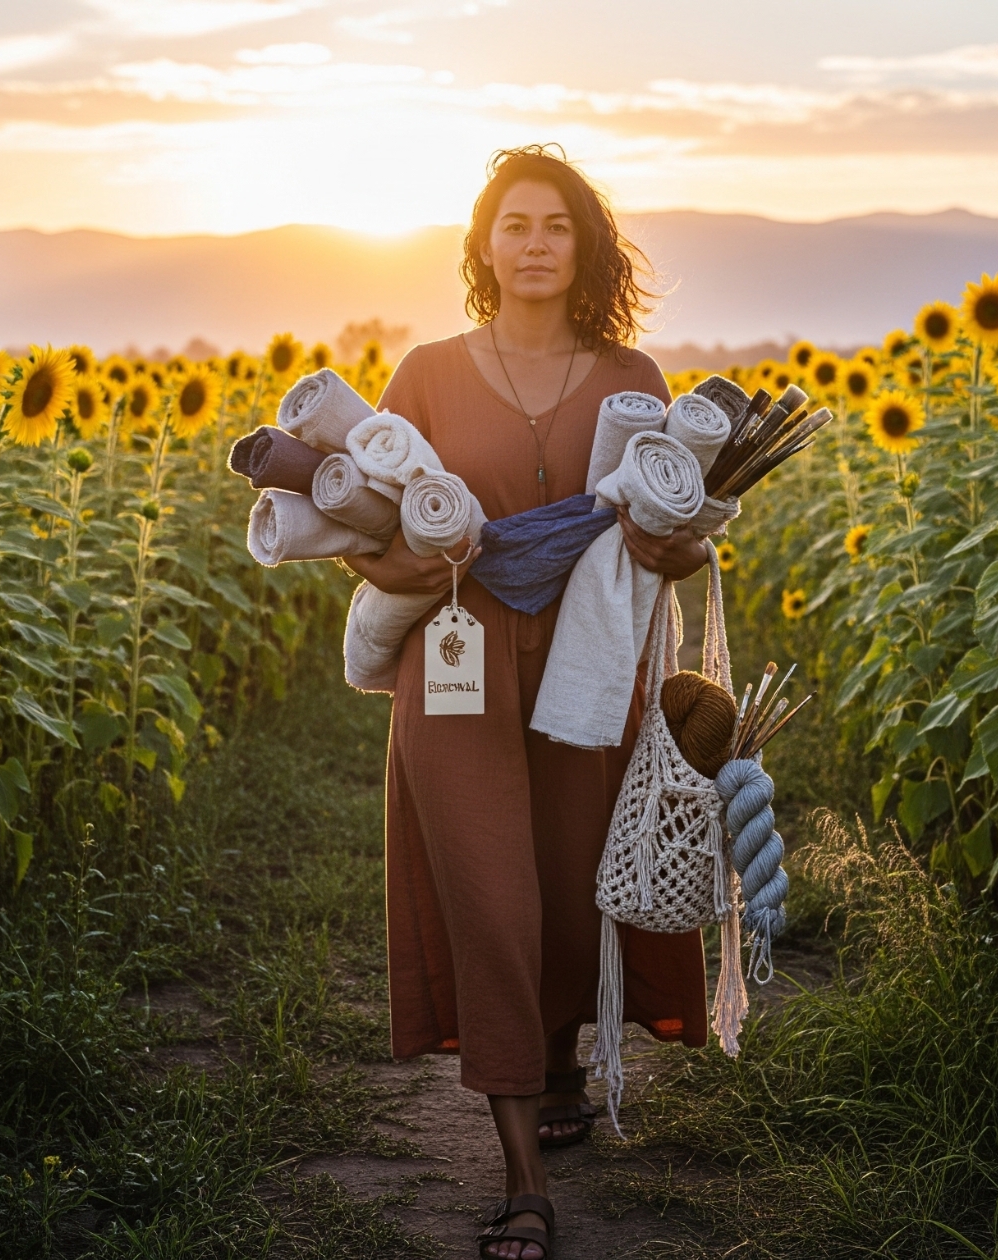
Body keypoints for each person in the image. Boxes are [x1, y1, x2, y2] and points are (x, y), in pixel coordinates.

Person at [342, 145, 711, 1260]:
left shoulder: (631, 376)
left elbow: (673, 547)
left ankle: (559, 1061)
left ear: (583, 245)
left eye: (556, 225)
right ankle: (519, 1181)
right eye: (516, 225)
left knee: (564, 879)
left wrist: (676, 538)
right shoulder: (425, 374)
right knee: (491, 898)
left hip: (593, 660)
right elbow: (369, 531)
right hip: (456, 660)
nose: (536, 243)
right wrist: (403, 570)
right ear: (482, 245)